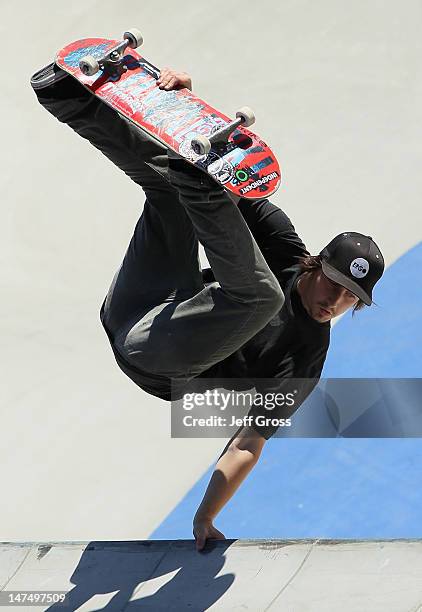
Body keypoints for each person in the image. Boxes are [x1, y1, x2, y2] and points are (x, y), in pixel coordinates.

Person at [31, 63, 385, 551]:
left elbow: (247, 443)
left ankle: (188, 171)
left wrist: (205, 515)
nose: (336, 301)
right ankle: (69, 101)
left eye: (351, 298)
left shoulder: (304, 360)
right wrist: (181, 115)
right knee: (175, 191)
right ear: (315, 264)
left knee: (260, 297)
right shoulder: (283, 243)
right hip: (139, 304)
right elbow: (232, 173)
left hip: (156, 361)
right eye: (334, 283)